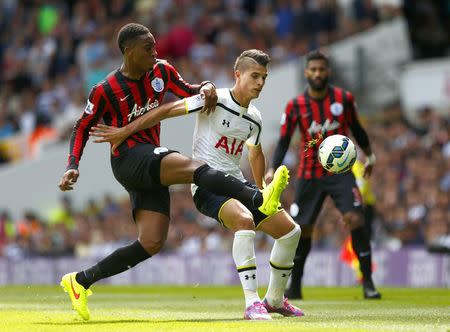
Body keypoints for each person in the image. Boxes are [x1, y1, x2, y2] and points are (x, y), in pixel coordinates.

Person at [57, 23, 289, 321]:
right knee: (195, 168)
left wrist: (205, 87)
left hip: (151, 163)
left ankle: (80, 281)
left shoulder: (162, 72)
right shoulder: (105, 90)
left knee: (151, 242)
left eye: (155, 46)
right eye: (148, 48)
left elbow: (189, 92)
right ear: (128, 51)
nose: (155, 51)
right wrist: (72, 165)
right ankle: (257, 197)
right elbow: (82, 127)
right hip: (128, 158)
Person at [265, 50, 381, 300]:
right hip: (309, 175)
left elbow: (358, 130)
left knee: (356, 219)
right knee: (302, 230)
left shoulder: (344, 99)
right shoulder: (296, 106)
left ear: (328, 71)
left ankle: (368, 283)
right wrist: (272, 168)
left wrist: (370, 156)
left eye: (322, 69)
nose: (317, 73)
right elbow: (284, 140)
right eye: (313, 69)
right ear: (307, 72)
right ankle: (295, 286)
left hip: (341, 174)